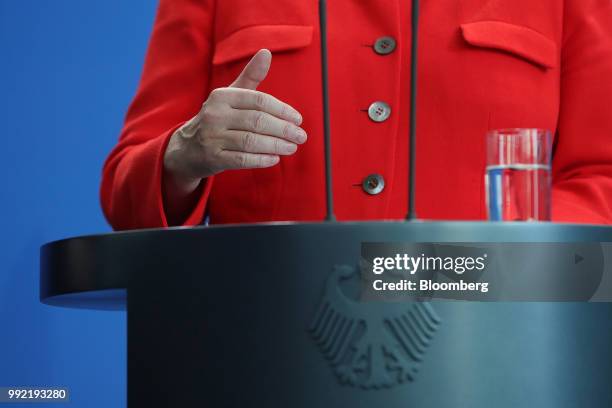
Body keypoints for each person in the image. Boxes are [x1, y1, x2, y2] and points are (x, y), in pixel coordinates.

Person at [101, 0, 612, 230]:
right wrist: (184, 155)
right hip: (264, 343)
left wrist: (478, 272)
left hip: (498, 353)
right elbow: (127, 193)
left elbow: (601, 181)